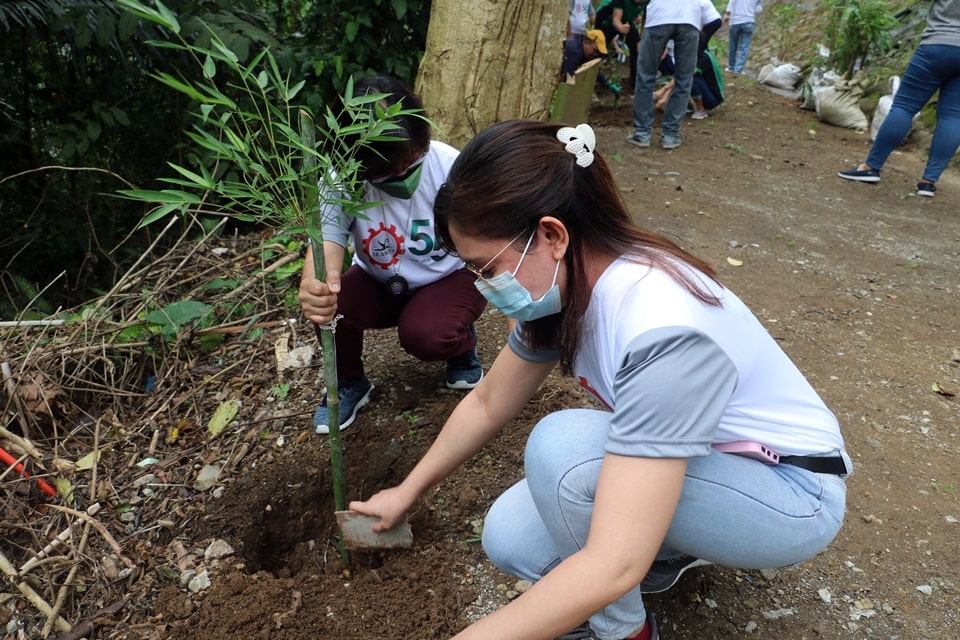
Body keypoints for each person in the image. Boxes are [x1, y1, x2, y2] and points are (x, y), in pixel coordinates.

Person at [349, 119, 851, 640]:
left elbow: (613, 564)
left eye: (486, 266)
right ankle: (665, 549)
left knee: (562, 450)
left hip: (789, 493)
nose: (483, 286)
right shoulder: (567, 293)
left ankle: (626, 630)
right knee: (511, 538)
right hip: (708, 462)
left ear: (551, 235)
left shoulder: (662, 328)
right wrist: (407, 491)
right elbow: (488, 402)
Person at [299, 75, 487, 435]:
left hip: (447, 275)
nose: (402, 176)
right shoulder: (344, 179)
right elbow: (329, 237)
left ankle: (460, 345)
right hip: (379, 279)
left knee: (426, 335)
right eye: (386, 173)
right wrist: (316, 282)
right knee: (330, 303)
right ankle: (349, 382)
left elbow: (484, 239)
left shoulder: (451, 167)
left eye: (411, 162)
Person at [837, 0, 960, 199]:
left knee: (904, 106)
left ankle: (870, 167)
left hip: (938, 44)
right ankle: (928, 183)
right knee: (953, 117)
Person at [627, 0, 702, 149]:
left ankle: (642, 133)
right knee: (684, 79)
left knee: (646, 76)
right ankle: (671, 136)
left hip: (659, 16)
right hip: (690, 17)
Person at [596, 0, 648, 93]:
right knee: (597, 50)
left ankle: (635, 85)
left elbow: (646, 17)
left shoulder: (649, 2)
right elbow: (616, 21)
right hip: (607, 18)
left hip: (625, 19)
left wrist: (641, 37)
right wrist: (620, 28)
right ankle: (596, 81)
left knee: (637, 47)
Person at [562, 29, 622, 98]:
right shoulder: (575, 51)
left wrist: (607, 83)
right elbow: (569, 78)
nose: (595, 54)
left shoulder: (581, 48)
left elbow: (592, 70)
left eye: (598, 53)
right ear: (587, 43)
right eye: (595, 50)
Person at [724, 0, 763, 74]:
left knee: (733, 45)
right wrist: (751, 10)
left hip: (735, 21)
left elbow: (732, 2)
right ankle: (738, 69)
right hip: (748, 20)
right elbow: (759, 9)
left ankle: (731, 67)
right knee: (744, 47)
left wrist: (727, 14)